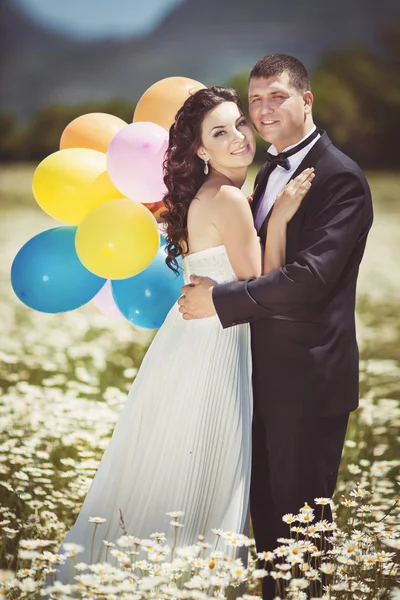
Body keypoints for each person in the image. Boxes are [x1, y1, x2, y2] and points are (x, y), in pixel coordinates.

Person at [44, 86, 313, 592]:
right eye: (219, 132)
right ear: (200, 151)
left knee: (174, 458)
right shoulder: (228, 197)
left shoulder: (212, 194)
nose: (238, 137)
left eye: (239, 124)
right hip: (214, 346)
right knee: (204, 463)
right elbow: (261, 284)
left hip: (188, 341)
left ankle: (152, 577)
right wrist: (279, 218)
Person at [178, 55, 374, 599]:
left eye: (276, 97)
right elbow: (264, 257)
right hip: (256, 376)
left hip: (308, 383)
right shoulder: (267, 171)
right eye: (255, 99)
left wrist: (221, 300)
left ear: (306, 100)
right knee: (266, 529)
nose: (261, 110)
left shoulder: (341, 178)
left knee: (302, 537)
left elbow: (309, 280)